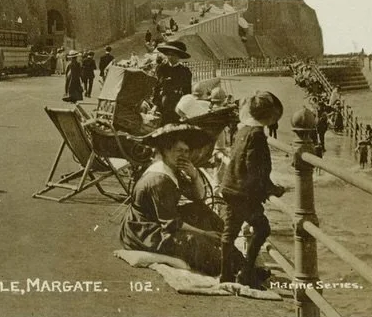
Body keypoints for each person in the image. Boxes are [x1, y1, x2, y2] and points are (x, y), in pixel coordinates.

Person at [119, 124, 243, 276]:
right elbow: (171, 223)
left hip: (157, 222)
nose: (184, 155)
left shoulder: (172, 169)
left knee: (202, 211)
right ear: (165, 150)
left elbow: (199, 197)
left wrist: (195, 175)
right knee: (196, 242)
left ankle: (236, 257)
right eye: (179, 151)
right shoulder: (159, 179)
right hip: (144, 232)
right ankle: (233, 267)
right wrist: (204, 233)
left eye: (186, 151)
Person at [219, 91, 285, 288]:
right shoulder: (257, 135)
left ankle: (226, 274)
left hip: (229, 187)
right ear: (270, 116)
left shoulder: (243, 130)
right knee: (263, 228)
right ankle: (246, 272)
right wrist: (271, 189)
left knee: (229, 233)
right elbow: (256, 170)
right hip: (243, 193)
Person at [153, 41, 193, 125]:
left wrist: (186, 108)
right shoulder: (161, 68)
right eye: (168, 54)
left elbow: (187, 91)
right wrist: (156, 105)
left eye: (173, 55)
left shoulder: (185, 71)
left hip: (178, 105)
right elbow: (157, 88)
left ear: (179, 56)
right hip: (163, 106)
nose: (170, 57)